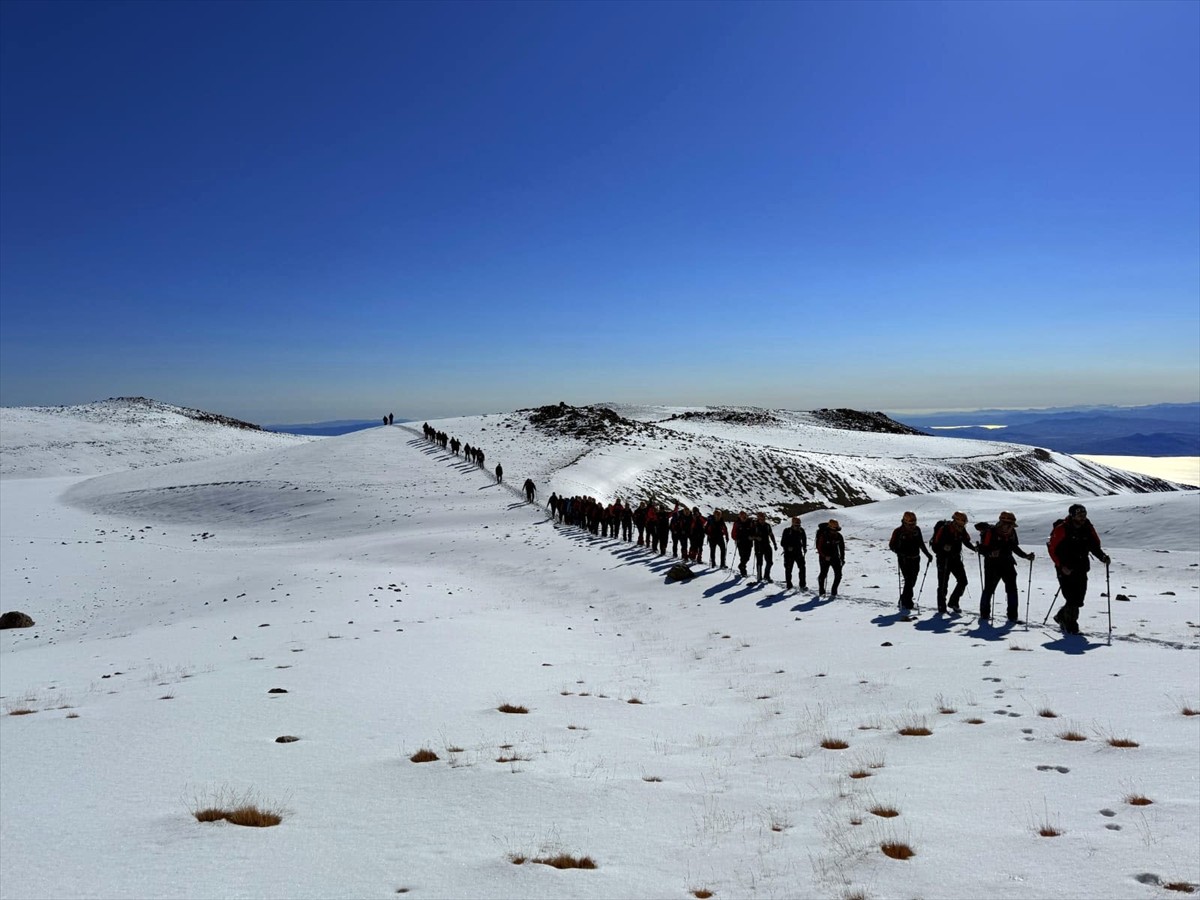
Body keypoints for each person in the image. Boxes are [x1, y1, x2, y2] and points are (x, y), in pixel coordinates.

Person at [1047, 503, 1110, 635]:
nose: (1082, 517)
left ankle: (1061, 616)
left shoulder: (1087, 528)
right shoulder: (1062, 529)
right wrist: (1061, 566)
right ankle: (1070, 625)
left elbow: (1094, 547)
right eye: (1079, 515)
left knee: (1079, 597)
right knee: (1071, 597)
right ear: (1072, 515)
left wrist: (1102, 557)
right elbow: (1052, 549)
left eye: (1084, 514)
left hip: (1081, 567)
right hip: (1065, 568)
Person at [976, 510, 1034, 623]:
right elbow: (982, 549)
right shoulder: (990, 532)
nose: (1010, 527)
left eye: (1011, 525)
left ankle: (1012, 616)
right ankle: (984, 614)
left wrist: (1025, 556)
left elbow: (1014, 547)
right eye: (1009, 525)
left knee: (1012, 590)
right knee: (989, 589)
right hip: (992, 565)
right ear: (1002, 523)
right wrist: (990, 553)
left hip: (1008, 564)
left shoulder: (1012, 533)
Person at [930, 512, 975, 613]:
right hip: (943, 559)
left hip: (955, 559)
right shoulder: (944, 529)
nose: (964, 524)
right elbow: (935, 546)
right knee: (943, 584)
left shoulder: (961, 529)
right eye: (963, 522)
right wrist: (943, 548)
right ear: (957, 520)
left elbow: (966, 541)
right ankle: (942, 607)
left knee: (963, 581)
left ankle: (953, 602)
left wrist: (975, 549)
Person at [889, 511, 933, 611]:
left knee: (913, 580)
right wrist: (898, 551)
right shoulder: (898, 531)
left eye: (914, 524)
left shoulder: (917, 530)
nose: (912, 526)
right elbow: (892, 545)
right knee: (908, 580)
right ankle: (908, 603)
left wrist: (928, 555)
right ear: (904, 522)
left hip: (916, 558)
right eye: (910, 524)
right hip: (904, 559)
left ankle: (903, 598)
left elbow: (921, 543)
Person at [816, 519, 845, 597]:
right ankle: (821, 590)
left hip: (835, 557)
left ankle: (834, 591)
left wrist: (842, 558)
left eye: (837, 529)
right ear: (830, 528)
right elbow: (819, 547)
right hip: (824, 558)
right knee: (823, 574)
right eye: (835, 529)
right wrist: (825, 556)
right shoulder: (823, 535)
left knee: (838, 574)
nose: (836, 531)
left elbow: (842, 548)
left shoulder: (839, 536)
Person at [780, 516, 808, 590]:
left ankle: (802, 584)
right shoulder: (787, 531)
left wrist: (804, 547)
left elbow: (804, 539)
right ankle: (789, 584)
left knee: (802, 568)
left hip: (798, 552)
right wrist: (787, 547)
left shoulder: (801, 531)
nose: (798, 526)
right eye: (796, 525)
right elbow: (782, 542)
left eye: (799, 525)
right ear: (792, 524)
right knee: (788, 569)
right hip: (788, 553)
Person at [752, 512, 777, 582]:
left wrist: (774, 543)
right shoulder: (755, 526)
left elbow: (771, 535)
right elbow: (750, 536)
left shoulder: (767, 526)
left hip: (767, 545)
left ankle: (766, 575)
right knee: (760, 562)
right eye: (761, 518)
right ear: (758, 519)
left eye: (764, 518)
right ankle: (759, 577)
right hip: (758, 546)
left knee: (770, 562)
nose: (763, 520)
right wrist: (756, 537)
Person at [732, 511, 754, 576]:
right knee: (742, 556)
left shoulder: (750, 523)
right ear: (739, 516)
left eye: (744, 516)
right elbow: (733, 532)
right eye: (741, 516)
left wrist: (752, 536)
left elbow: (754, 530)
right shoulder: (737, 523)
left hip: (749, 542)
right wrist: (735, 538)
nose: (743, 517)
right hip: (740, 542)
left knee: (747, 557)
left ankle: (741, 565)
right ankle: (743, 570)